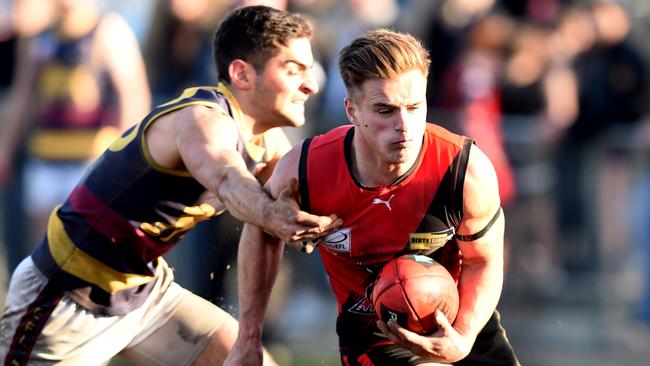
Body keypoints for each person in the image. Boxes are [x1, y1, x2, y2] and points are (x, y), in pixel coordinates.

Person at [0, 5, 340, 365]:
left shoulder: (267, 142)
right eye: (293, 70)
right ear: (241, 73)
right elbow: (228, 179)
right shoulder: (202, 120)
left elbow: (319, 195)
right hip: (67, 297)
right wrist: (274, 215)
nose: (311, 84)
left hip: (143, 292)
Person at [225, 29, 520, 365]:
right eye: (385, 110)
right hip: (373, 331)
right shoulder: (306, 169)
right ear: (352, 111)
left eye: (414, 106)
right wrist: (248, 337)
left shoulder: (463, 170)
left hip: (459, 318)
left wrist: (465, 336)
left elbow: (483, 260)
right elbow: (260, 232)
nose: (405, 126)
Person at [0, 0, 150, 268]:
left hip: (90, 162)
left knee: (91, 251)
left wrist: (130, 158)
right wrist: (5, 149)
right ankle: (50, 309)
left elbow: (133, 95)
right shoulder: (41, 37)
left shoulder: (108, 30)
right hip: (45, 158)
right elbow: (23, 96)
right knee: (45, 253)